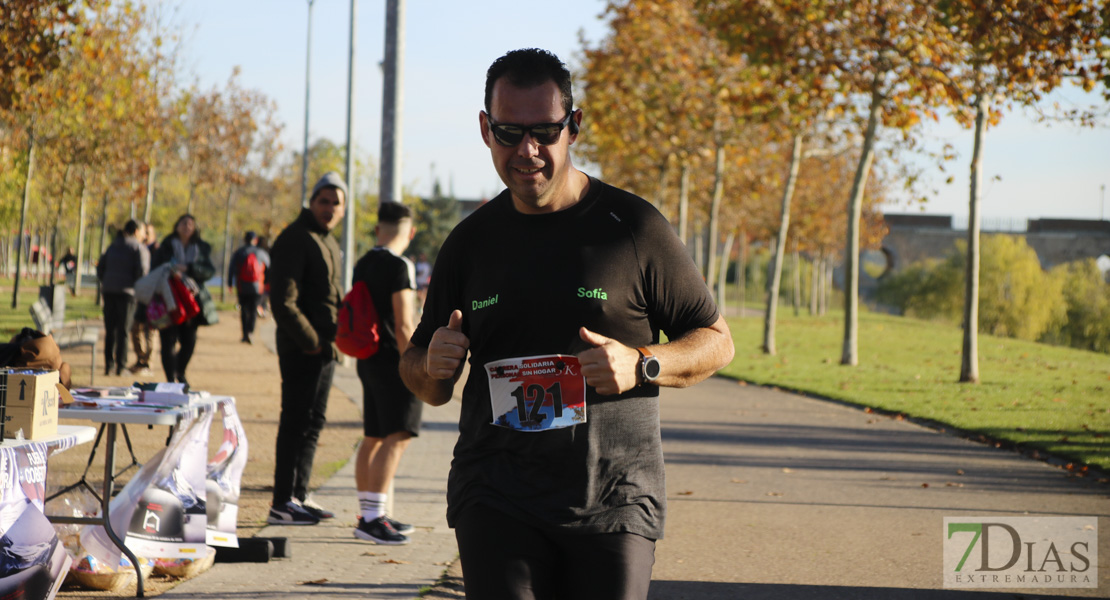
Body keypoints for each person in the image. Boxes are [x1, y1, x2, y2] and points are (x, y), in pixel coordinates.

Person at [399, 48, 735, 600]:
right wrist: (430, 366)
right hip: (496, 494)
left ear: (573, 126)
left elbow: (716, 341)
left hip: (613, 497)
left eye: (545, 132)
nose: (527, 151)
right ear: (485, 129)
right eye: (508, 132)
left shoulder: (631, 228)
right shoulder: (469, 242)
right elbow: (422, 377)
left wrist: (643, 363)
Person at [267, 172, 346, 525]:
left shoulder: (326, 240)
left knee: (313, 423)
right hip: (303, 349)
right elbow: (283, 301)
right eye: (323, 201)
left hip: (326, 348)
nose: (329, 208)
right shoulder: (295, 239)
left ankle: (299, 494)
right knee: (295, 423)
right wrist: (312, 342)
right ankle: (282, 501)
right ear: (311, 202)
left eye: (336, 202)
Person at [351, 202, 420, 545]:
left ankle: (369, 513)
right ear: (410, 232)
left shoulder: (363, 263)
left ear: (379, 229)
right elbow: (405, 323)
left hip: (368, 358)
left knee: (374, 435)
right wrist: (416, 366)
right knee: (399, 436)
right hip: (394, 360)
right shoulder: (400, 266)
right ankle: (374, 519)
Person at [151, 214, 218, 385]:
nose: (187, 227)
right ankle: (170, 379)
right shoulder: (166, 245)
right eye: (183, 223)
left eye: (190, 224)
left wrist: (189, 268)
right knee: (168, 340)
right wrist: (172, 269)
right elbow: (155, 267)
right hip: (168, 298)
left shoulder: (201, 247)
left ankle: (179, 371)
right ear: (177, 225)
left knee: (189, 341)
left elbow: (209, 270)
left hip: (192, 300)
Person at [96, 221, 149, 376]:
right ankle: (121, 366)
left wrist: (107, 282)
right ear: (136, 231)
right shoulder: (138, 247)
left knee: (110, 330)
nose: (144, 235)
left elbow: (100, 268)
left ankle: (109, 366)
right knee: (124, 331)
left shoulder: (112, 246)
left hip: (109, 291)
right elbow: (142, 272)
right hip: (127, 294)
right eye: (143, 231)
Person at [227, 231, 271, 344]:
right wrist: (267, 283)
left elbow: (232, 268)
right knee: (253, 310)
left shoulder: (239, 252)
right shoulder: (261, 253)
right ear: (255, 240)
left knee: (244, 310)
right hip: (257, 287)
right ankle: (251, 332)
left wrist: (229, 283)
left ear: (244, 240)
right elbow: (269, 269)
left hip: (242, 286)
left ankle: (245, 334)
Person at [129, 222, 156, 375]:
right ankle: (141, 359)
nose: (145, 236)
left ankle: (148, 362)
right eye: (144, 232)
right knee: (136, 329)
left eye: (148, 233)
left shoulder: (157, 250)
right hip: (139, 296)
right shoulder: (137, 250)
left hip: (152, 297)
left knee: (151, 331)